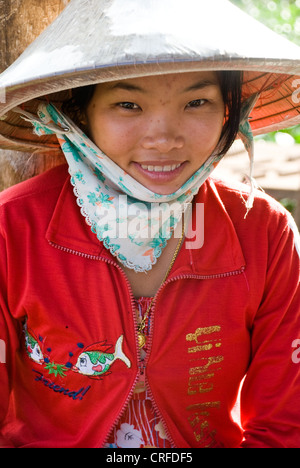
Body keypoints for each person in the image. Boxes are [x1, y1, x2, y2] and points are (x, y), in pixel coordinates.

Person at [0, 0, 299, 448]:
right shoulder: (11, 230)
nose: (164, 137)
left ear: (228, 111)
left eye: (196, 102)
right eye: (127, 104)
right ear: (82, 115)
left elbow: (284, 425)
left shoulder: (265, 234)